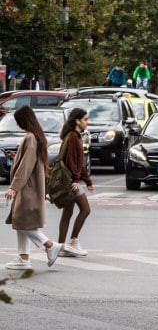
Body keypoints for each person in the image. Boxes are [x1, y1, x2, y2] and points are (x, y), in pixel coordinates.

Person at [4, 106, 63, 269]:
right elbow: (28, 161)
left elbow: (26, 166)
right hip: (30, 187)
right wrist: (16, 157)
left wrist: (14, 187)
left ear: (24, 120)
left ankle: (50, 245)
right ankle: (23, 258)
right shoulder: (35, 136)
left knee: (22, 222)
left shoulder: (30, 137)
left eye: (18, 121)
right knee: (22, 221)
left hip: (27, 188)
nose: (17, 124)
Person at [58, 108, 95, 257]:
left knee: (67, 214)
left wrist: (88, 181)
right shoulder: (73, 136)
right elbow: (72, 161)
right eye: (85, 119)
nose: (87, 122)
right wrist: (76, 180)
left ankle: (60, 247)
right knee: (85, 210)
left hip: (70, 181)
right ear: (77, 121)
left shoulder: (74, 136)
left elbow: (80, 163)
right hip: (71, 182)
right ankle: (72, 241)